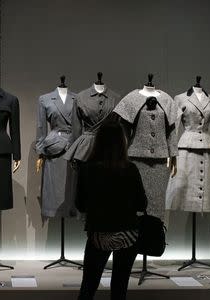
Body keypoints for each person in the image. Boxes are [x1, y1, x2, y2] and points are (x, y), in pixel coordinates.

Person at [76, 119, 147, 300]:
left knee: (88, 286)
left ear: (98, 142)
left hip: (100, 234)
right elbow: (142, 204)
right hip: (128, 235)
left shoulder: (87, 169)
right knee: (119, 289)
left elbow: (80, 204)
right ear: (122, 143)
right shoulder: (131, 169)